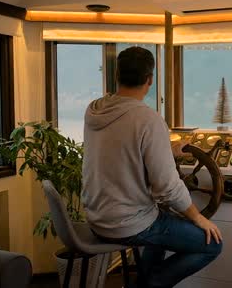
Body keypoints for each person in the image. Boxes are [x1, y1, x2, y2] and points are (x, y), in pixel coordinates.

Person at [81, 46, 223, 288]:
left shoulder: (94, 109)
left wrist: (166, 149)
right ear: (150, 79)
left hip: (97, 216)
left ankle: (145, 280)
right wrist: (198, 217)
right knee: (213, 244)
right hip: (127, 224)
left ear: (117, 76)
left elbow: (122, 149)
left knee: (160, 216)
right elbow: (167, 186)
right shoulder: (148, 119)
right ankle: (148, 285)